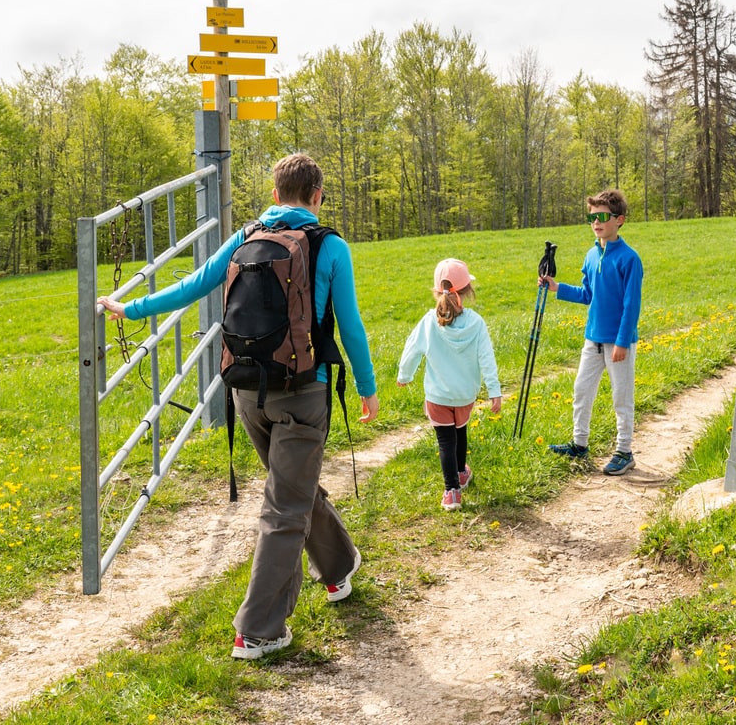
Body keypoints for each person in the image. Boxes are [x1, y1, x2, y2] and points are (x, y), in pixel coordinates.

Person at [98, 152, 378, 660]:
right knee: (285, 505)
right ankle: (259, 629)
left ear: (274, 195)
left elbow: (194, 285)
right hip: (303, 391)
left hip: (246, 391)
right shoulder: (330, 245)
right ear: (317, 197)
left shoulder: (245, 237)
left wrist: (129, 307)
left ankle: (338, 570)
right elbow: (350, 325)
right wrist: (366, 385)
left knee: (290, 489)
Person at [540, 188, 644, 475]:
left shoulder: (629, 259)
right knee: (581, 390)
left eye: (602, 217)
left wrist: (623, 341)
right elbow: (587, 294)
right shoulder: (590, 254)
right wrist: (557, 287)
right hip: (593, 338)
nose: (596, 223)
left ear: (619, 220)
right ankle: (579, 443)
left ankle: (624, 451)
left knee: (621, 397)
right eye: (592, 217)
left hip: (618, 343)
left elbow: (631, 305)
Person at [396, 258, 503, 510]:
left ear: (436, 291)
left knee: (445, 441)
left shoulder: (429, 321)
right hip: (464, 395)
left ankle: (451, 491)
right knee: (460, 431)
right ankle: (461, 473)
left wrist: (405, 376)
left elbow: (412, 351)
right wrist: (494, 391)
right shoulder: (476, 323)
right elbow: (487, 359)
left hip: (437, 395)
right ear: (467, 291)